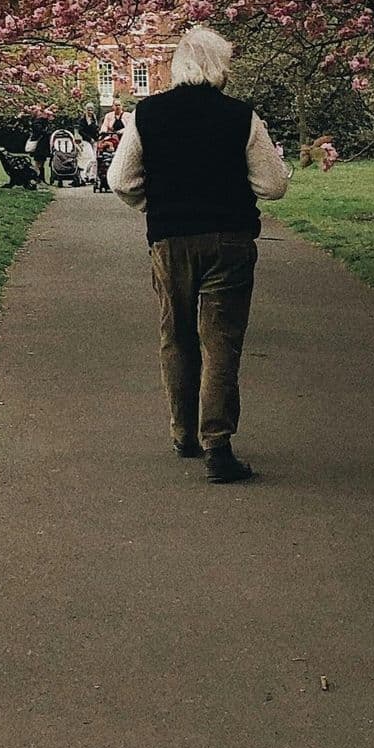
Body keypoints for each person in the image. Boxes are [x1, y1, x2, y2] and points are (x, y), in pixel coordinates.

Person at [108, 27, 290, 484]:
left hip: (170, 241)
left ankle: (183, 432)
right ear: (220, 66)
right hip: (229, 240)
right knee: (220, 340)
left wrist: (156, 206)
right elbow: (273, 185)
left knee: (177, 335)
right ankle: (218, 446)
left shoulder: (147, 115)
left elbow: (121, 180)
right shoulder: (242, 117)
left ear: (178, 66)